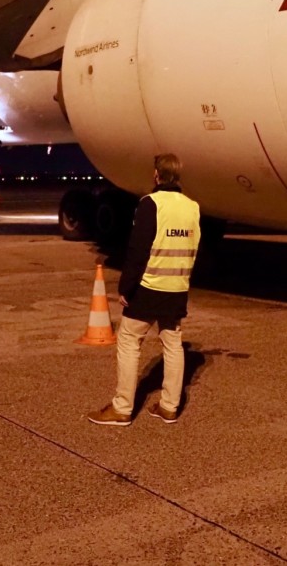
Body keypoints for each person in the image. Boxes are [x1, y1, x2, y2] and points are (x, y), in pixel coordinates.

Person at [87, 153, 201, 426]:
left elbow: (138, 250)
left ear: (157, 175)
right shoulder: (192, 207)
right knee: (172, 343)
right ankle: (169, 406)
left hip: (150, 287)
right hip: (177, 287)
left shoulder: (150, 204)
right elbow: (194, 246)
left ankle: (122, 408)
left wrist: (126, 286)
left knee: (129, 341)